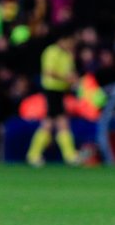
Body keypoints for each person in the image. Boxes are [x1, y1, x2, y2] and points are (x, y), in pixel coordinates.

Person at [26, 28, 79, 166]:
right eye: (70, 42)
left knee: (50, 122)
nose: (71, 45)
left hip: (60, 92)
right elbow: (48, 72)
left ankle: (34, 154)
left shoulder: (67, 55)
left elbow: (71, 73)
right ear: (63, 40)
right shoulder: (51, 52)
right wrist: (67, 79)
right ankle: (69, 155)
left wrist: (73, 80)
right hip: (51, 90)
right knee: (59, 122)